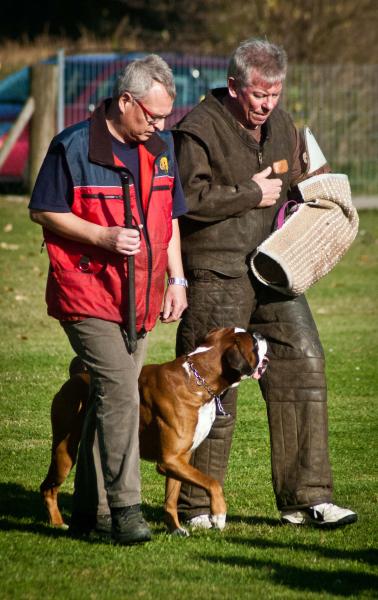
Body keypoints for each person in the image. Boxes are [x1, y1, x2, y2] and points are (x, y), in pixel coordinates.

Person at [173, 38, 357, 528]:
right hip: (216, 271)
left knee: (304, 359)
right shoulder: (197, 128)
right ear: (234, 86)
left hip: (273, 268)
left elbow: (296, 178)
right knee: (212, 386)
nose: (267, 105)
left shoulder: (282, 124)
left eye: (274, 95)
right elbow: (186, 200)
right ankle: (194, 507)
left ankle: (307, 498)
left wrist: (320, 191)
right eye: (258, 95)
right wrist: (249, 193)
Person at [29, 54, 188, 545]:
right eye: (153, 114)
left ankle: (87, 511)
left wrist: (176, 281)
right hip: (86, 292)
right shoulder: (72, 147)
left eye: (165, 116)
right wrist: (101, 237)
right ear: (125, 101)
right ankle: (125, 511)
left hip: (140, 297)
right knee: (120, 390)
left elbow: (172, 218)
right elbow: (43, 211)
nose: (160, 125)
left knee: (106, 401)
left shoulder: (160, 149)